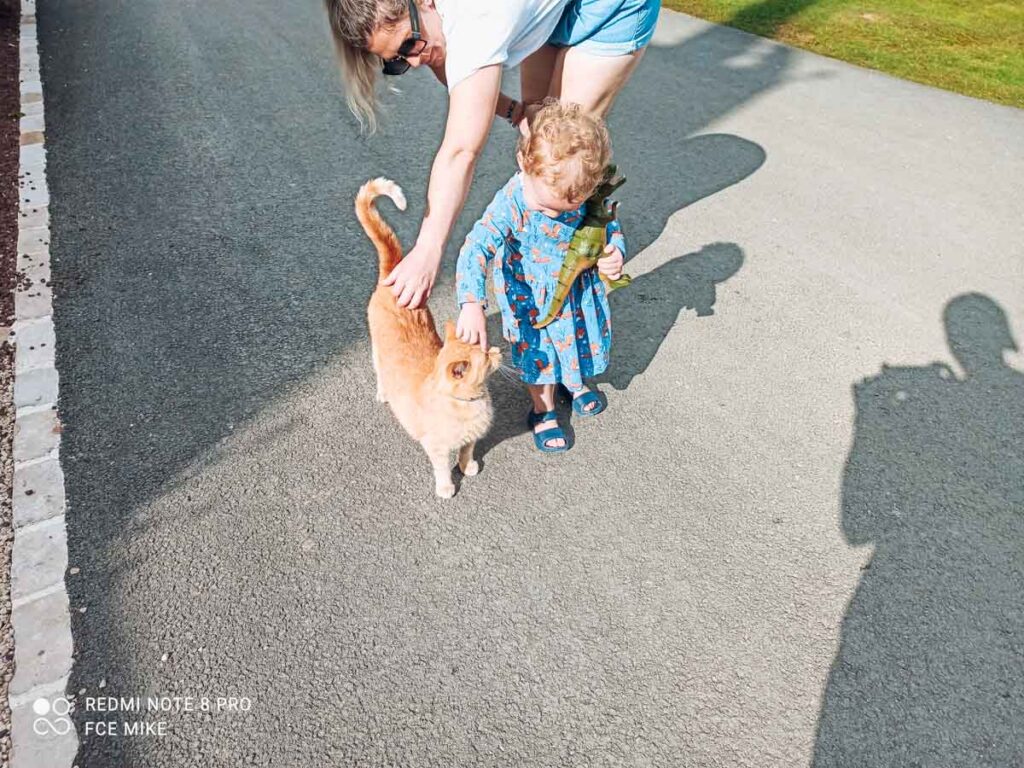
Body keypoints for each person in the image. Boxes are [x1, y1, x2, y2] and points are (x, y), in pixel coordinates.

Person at [324, 0, 660, 308]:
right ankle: (544, 254)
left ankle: (592, 254)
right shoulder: (434, 24)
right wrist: (515, 111)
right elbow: (453, 72)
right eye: (398, 61)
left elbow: (460, 150)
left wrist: (428, 249)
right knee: (539, 137)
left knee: (562, 153)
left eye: (409, 45)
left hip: (614, 7)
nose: (414, 60)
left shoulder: (476, 21)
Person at [453, 101, 625, 452]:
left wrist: (613, 252)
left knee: (575, 338)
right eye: (549, 207)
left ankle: (573, 381)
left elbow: (608, 226)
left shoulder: (580, 193)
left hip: (575, 290)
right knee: (541, 351)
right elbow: (476, 247)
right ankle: (543, 407)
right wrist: (472, 302)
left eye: (571, 207)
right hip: (529, 298)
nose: (560, 213)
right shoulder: (513, 202)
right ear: (524, 165)